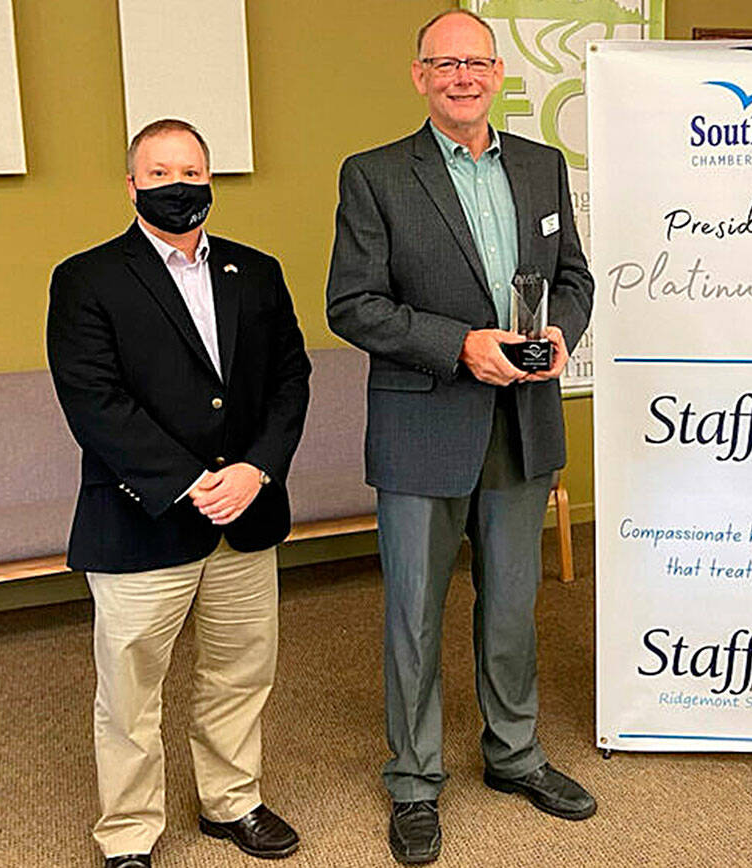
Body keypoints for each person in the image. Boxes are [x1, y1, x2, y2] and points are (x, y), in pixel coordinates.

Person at [325, 9, 595, 866]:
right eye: (444, 64)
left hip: (523, 422)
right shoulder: (373, 175)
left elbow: (575, 280)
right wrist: (460, 346)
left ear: (498, 73)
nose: (463, 77)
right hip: (422, 425)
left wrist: (562, 336)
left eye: (477, 62)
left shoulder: (541, 166)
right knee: (414, 615)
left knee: (513, 608)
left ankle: (513, 755)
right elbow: (353, 304)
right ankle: (413, 778)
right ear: (419, 77)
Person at [47, 119, 310, 868]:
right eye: (159, 173)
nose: (178, 186)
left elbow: (290, 379)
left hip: (246, 513)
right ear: (132, 185)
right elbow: (95, 404)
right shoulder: (87, 278)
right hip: (142, 520)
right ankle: (128, 834)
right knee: (130, 696)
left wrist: (257, 470)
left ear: (210, 180)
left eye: (191, 171)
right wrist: (194, 483)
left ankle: (234, 803)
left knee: (240, 672)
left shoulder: (254, 271)